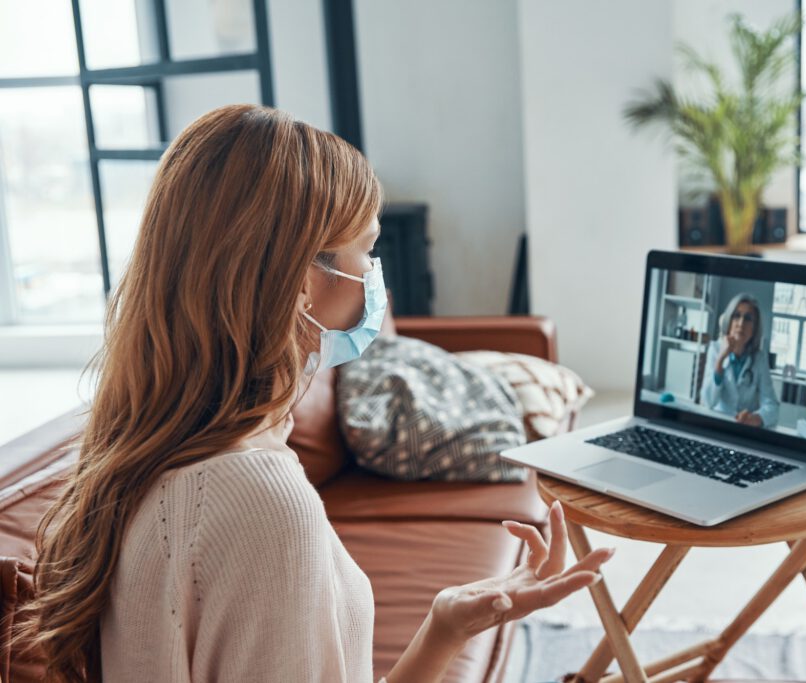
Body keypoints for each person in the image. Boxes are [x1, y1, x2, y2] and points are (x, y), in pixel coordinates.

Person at [18, 105, 613, 683]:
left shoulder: (146, 458)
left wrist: (444, 630)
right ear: (304, 284)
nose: (376, 276)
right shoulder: (257, 501)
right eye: (368, 251)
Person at [699, 293, 779, 428]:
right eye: (736, 316)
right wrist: (720, 359)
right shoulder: (715, 349)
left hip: (745, 428)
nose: (741, 323)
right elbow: (708, 401)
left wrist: (757, 418)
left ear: (754, 329)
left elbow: (772, 405)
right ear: (729, 321)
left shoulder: (759, 358)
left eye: (748, 318)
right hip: (718, 425)